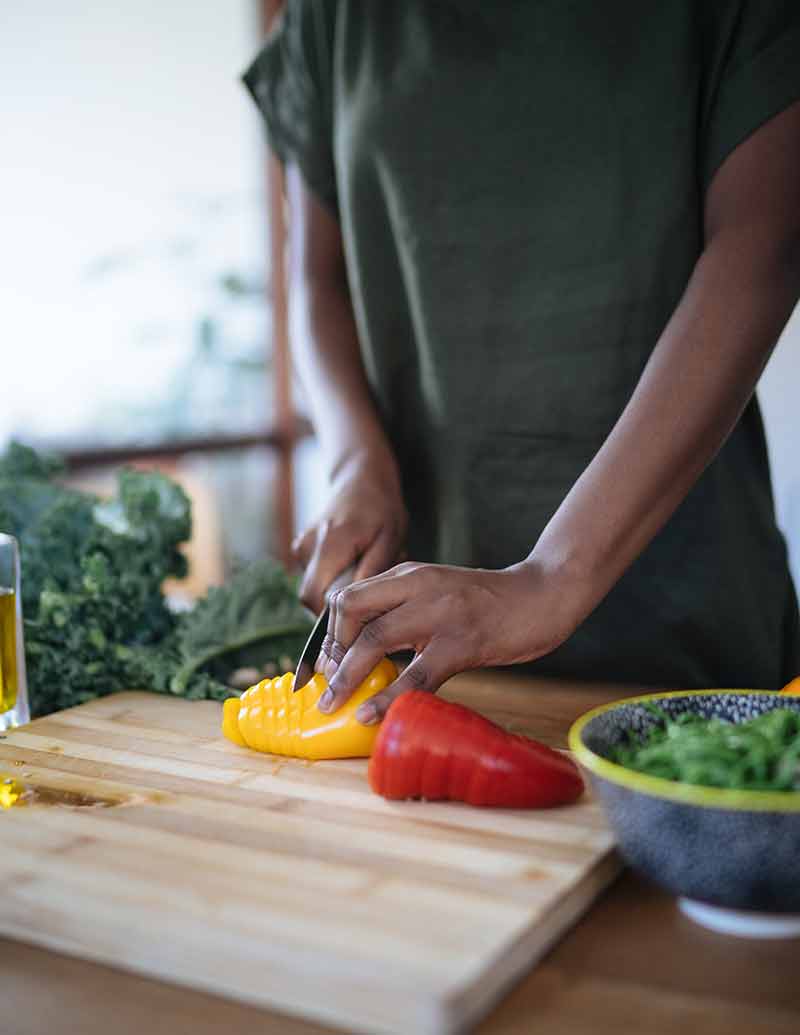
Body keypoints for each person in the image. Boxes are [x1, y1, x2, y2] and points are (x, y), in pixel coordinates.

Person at [244, 1, 800, 725]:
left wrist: (551, 577)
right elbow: (316, 281)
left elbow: (766, 248)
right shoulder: (332, 18)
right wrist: (356, 460)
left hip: (687, 635)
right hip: (428, 666)